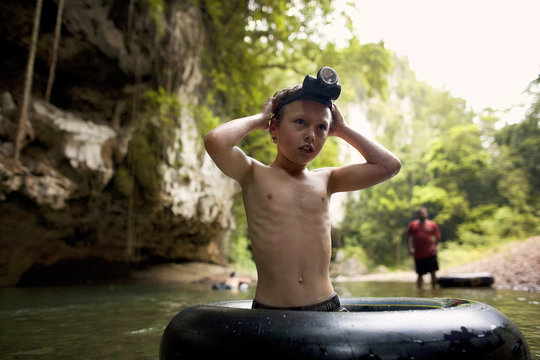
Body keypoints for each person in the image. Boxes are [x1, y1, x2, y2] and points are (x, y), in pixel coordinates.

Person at [204, 67, 401, 311]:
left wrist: (343, 129)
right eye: (300, 122)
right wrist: (259, 119)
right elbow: (215, 141)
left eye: (321, 128)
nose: (311, 135)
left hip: (326, 306)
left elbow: (389, 166)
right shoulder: (253, 174)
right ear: (274, 128)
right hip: (272, 311)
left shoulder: (327, 179)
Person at [407, 207, 442, 289]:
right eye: (420, 213)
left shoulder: (432, 224)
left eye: (424, 213)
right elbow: (409, 237)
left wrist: (434, 246)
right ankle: (419, 292)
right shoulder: (413, 225)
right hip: (419, 254)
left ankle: (434, 291)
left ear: (427, 214)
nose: (422, 214)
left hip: (430, 253)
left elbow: (437, 236)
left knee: (433, 272)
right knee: (419, 274)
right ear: (417, 215)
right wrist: (410, 248)